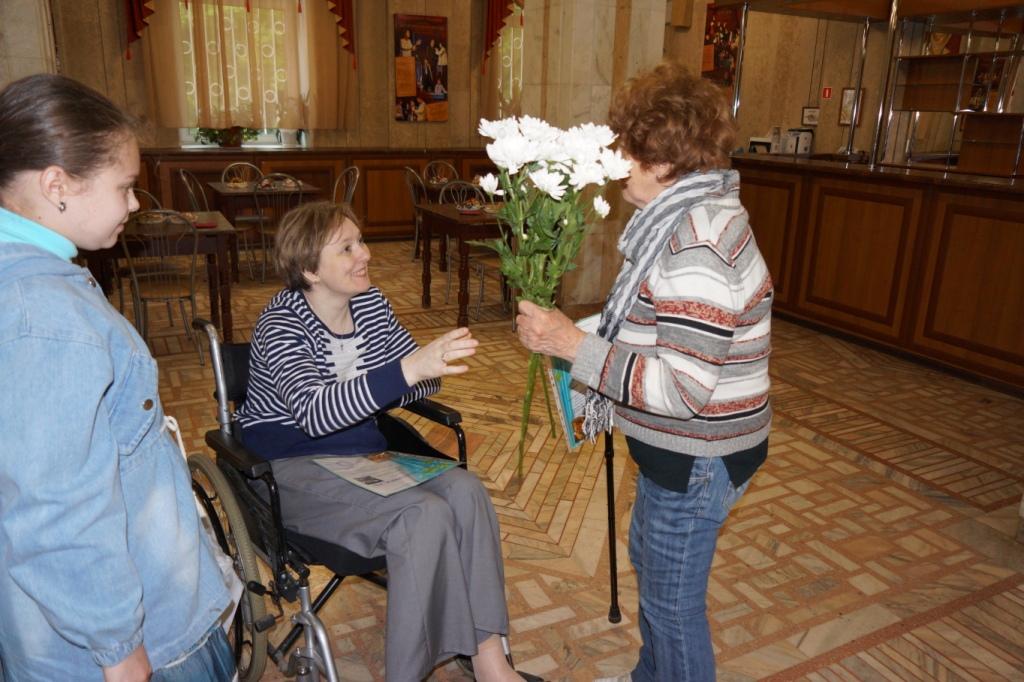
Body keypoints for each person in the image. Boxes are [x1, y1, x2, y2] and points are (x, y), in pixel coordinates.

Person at [516, 61, 773, 681]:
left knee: (672, 608)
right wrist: (592, 333)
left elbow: (682, 389)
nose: (617, 160)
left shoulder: (697, 242)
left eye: (629, 148)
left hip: (698, 454)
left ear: (664, 161)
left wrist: (572, 344)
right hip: (685, 453)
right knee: (655, 574)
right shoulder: (680, 221)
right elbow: (663, 323)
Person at [234, 201, 539, 682]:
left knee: (467, 491)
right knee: (422, 514)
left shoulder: (371, 305)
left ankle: (489, 660)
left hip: (363, 455)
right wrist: (404, 372)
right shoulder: (281, 323)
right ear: (310, 269)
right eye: (347, 248)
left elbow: (422, 379)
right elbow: (316, 414)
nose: (365, 254)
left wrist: (412, 370)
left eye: (361, 241)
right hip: (291, 468)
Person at [0, 74, 235, 680]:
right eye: (125, 187)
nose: (134, 204)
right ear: (57, 185)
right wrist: (118, 645)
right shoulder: (45, 318)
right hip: (136, 642)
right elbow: (55, 508)